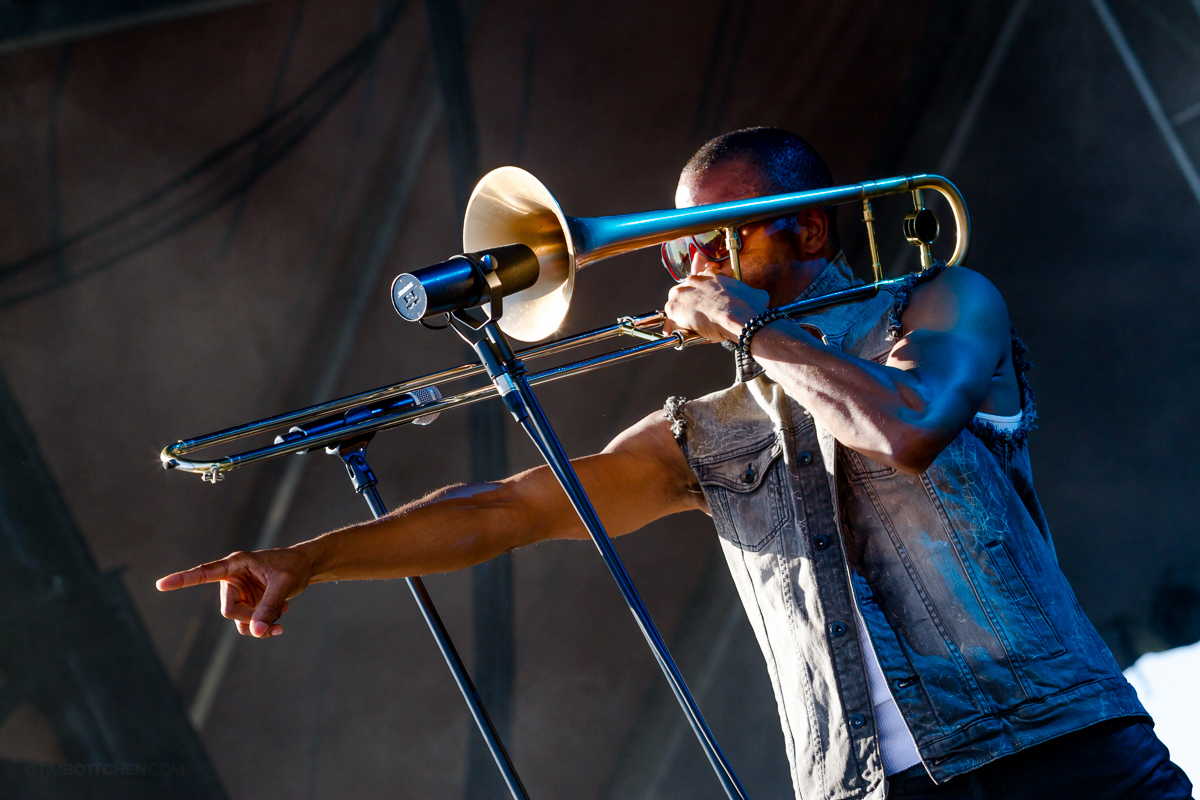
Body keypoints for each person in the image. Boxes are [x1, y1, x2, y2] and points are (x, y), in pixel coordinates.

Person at [158, 128, 1193, 799]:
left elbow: (905, 427)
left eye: (714, 233)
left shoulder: (936, 301)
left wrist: (753, 336)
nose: (692, 262)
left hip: (1058, 751)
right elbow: (507, 509)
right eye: (677, 246)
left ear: (812, 225)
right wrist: (313, 556)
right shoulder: (710, 424)